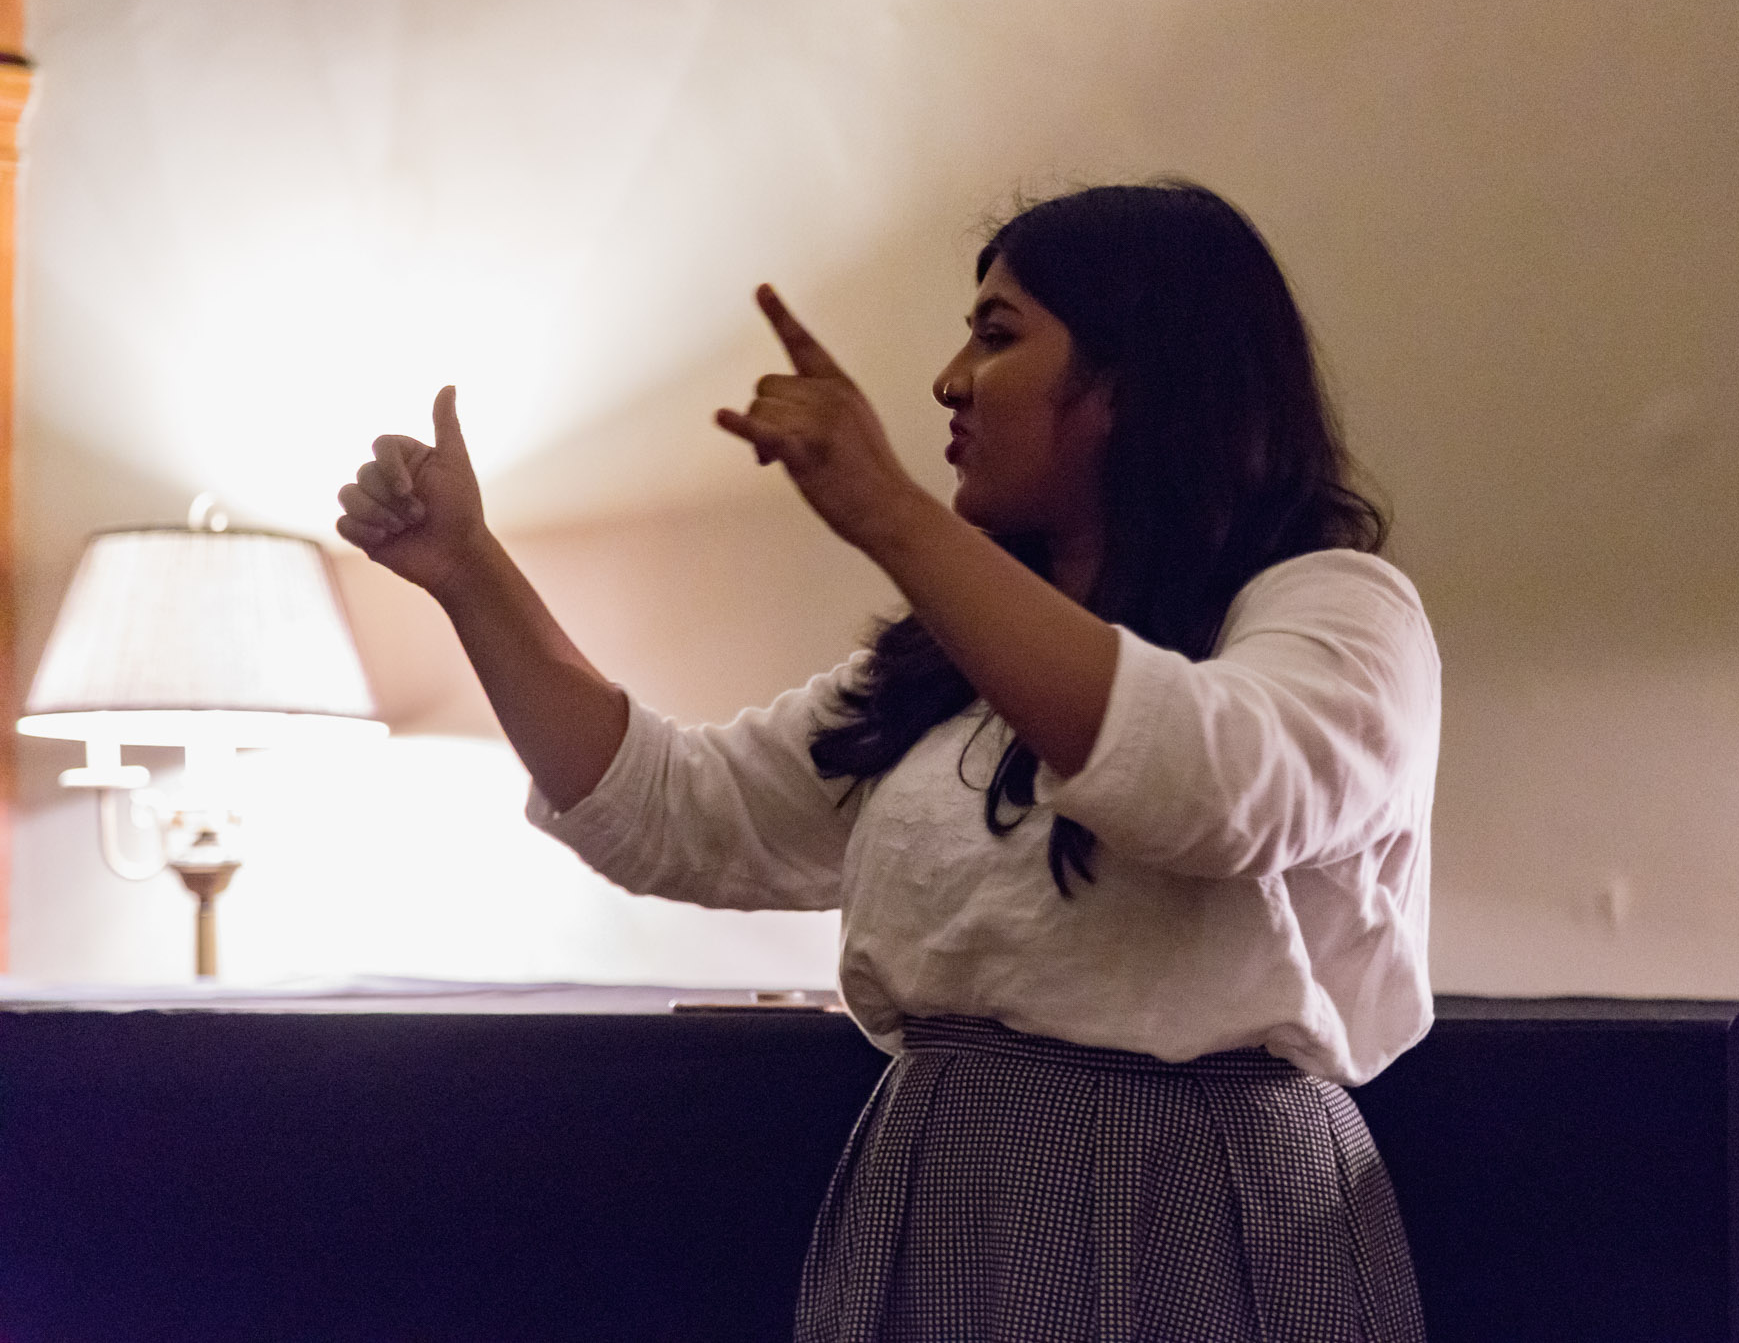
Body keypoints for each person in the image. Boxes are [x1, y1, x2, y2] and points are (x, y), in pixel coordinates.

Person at [337, 181, 1439, 1343]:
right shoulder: (943, 665)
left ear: (1135, 378)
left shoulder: (1336, 608)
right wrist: (467, 571)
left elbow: (1214, 791)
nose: (949, 381)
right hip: (948, 1175)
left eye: (997, 335)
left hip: (1203, 1202)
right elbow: (677, 809)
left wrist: (890, 513)